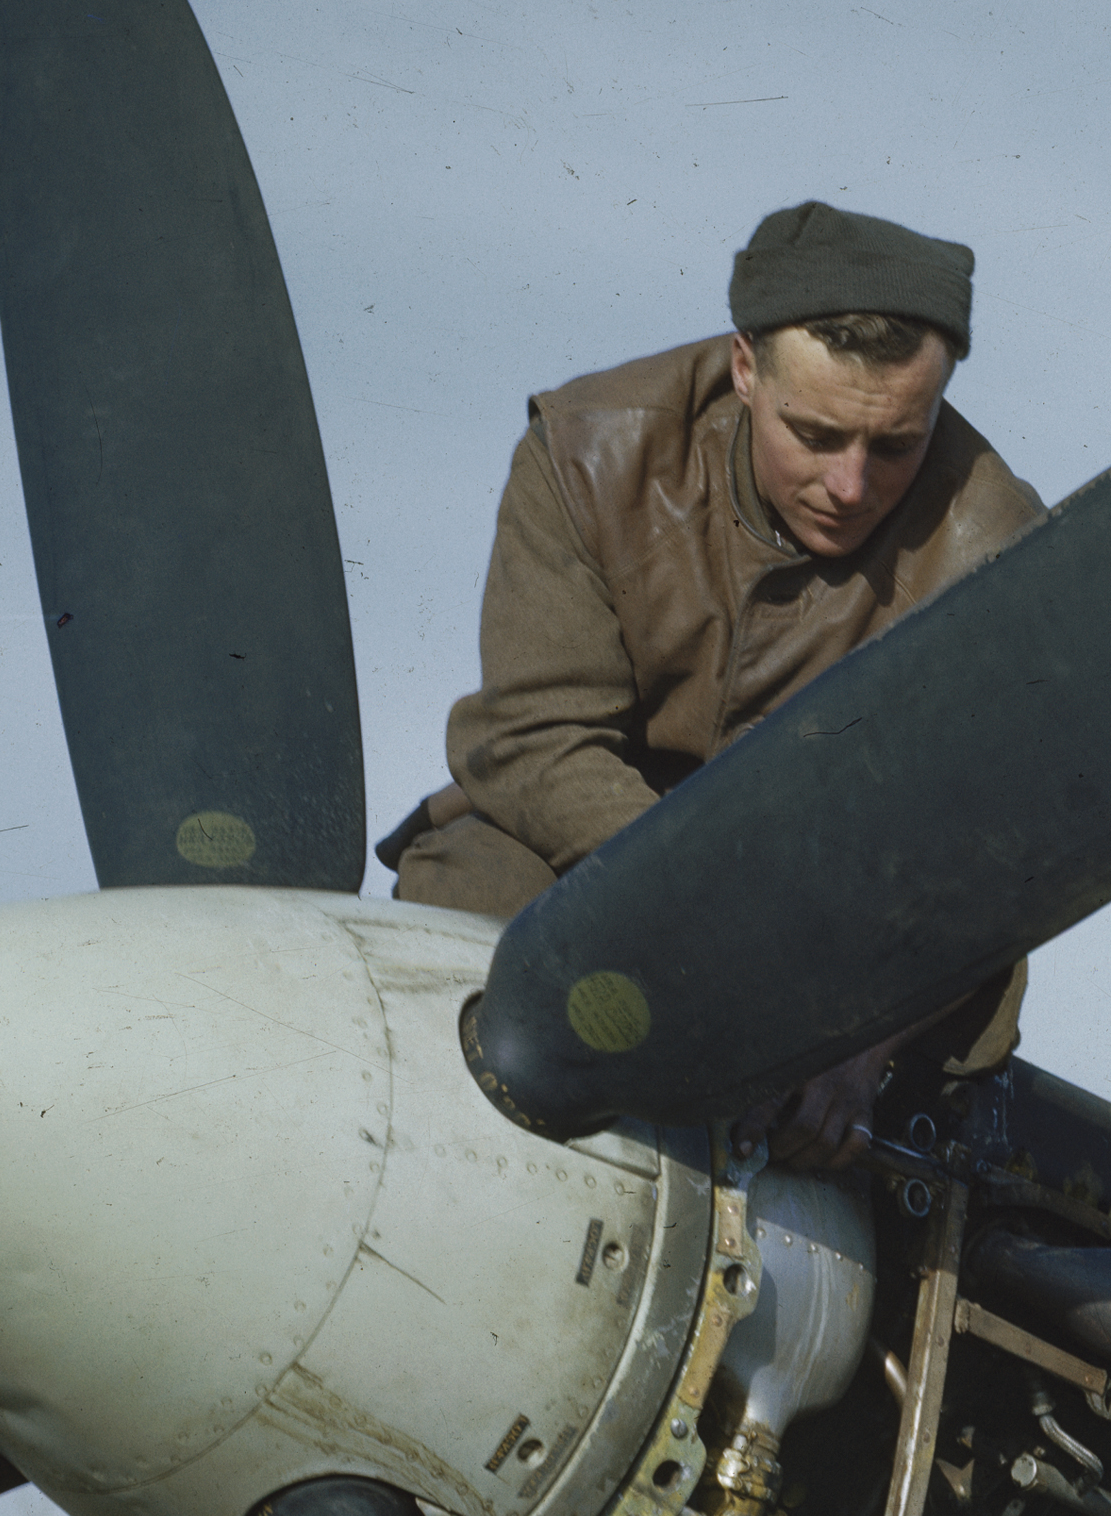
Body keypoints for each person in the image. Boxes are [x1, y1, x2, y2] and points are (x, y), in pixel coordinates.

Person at [383, 199, 1043, 1163]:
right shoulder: (584, 453)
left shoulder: (1002, 553)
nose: (851, 486)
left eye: (895, 445)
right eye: (814, 436)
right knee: (455, 941)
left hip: (856, 948)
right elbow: (539, 739)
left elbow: (1005, 855)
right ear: (745, 371)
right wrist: (720, 934)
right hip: (592, 859)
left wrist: (861, 1046)